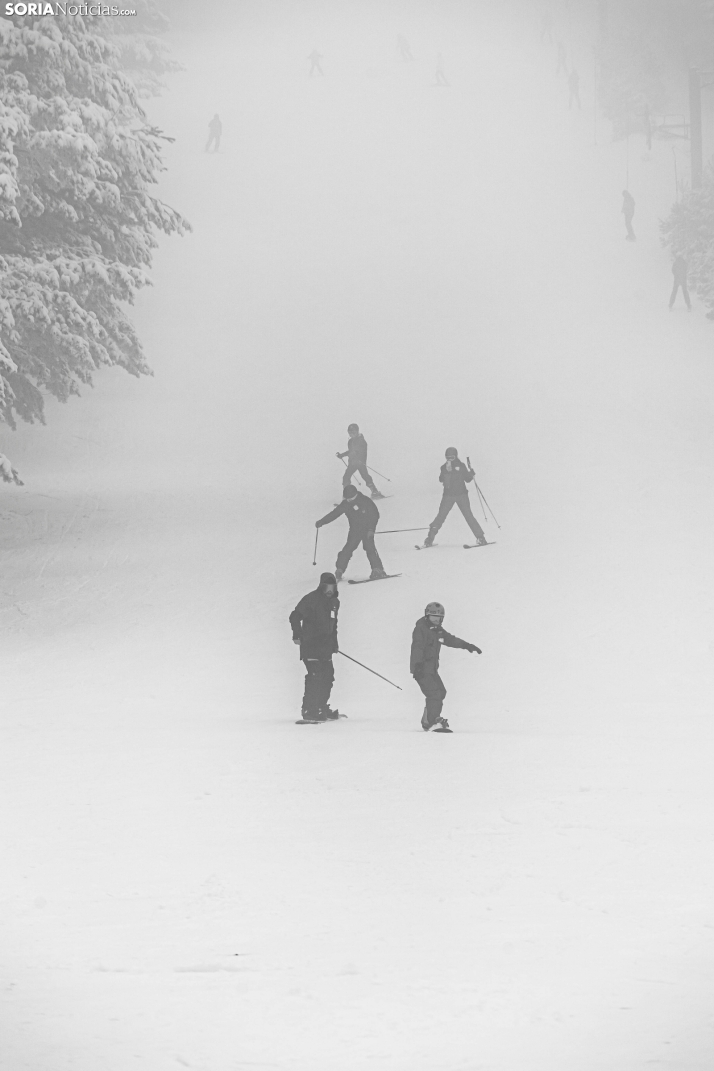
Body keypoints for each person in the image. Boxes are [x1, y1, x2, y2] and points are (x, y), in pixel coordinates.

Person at [410, 601, 481, 732]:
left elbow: (450, 639)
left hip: (431, 669)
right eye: (433, 617)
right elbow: (417, 648)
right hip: (421, 670)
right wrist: (417, 666)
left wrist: (467, 645)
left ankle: (428, 719)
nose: (436, 620)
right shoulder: (421, 629)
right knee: (434, 694)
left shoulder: (438, 631)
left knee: (441, 692)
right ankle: (432, 722)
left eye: (439, 618)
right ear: (427, 616)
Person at [290, 572, 340, 722]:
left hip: (325, 648)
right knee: (315, 677)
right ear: (322, 586)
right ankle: (309, 709)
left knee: (328, 676)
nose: (330, 590)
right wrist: (297, 634)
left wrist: (334, 643)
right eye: (327, 587)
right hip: (311, 646)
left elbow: (333, 625)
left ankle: (321, 707)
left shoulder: (334, 603)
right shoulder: (311, 599)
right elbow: (294, 616)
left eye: (333, 587)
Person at [316, 484, 387, 581]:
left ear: (355, 495)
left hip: (367, 530)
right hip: (355, 530)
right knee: (347, 549)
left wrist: (371, 529)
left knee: (370, 548)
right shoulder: (345, 504)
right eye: (347, 498)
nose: (348, 500)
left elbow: (375, 515)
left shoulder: (365, 501)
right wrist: (322, 521)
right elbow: (335, 513)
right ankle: (340, 569)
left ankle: (377, 569)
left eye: (350, 498)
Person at [422, 447, 486, 548]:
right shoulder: (444, 467)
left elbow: (467, 479)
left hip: (461, 495)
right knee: (441, 516)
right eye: (447, 457)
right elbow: (441, 479)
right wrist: (447, 472)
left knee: (468, 516)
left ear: (455, 456)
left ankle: (480, 537)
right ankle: (429, 539)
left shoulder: (461, 466)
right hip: (448, 496)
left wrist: (471, 473)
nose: (449, 459)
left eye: (451, 457)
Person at [336, 423, 383, 498]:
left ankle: (375, 492)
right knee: (346, 477)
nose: (351, 434)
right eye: (350, 433)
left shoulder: (361, 441)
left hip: (360, 462)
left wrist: (355, 454)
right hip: (352, 463)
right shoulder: (350, 441)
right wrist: (342, 455)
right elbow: (350, 451)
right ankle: (347, 495)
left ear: (357, 431)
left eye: (353, 432)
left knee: (365, 476)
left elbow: (361, 451)